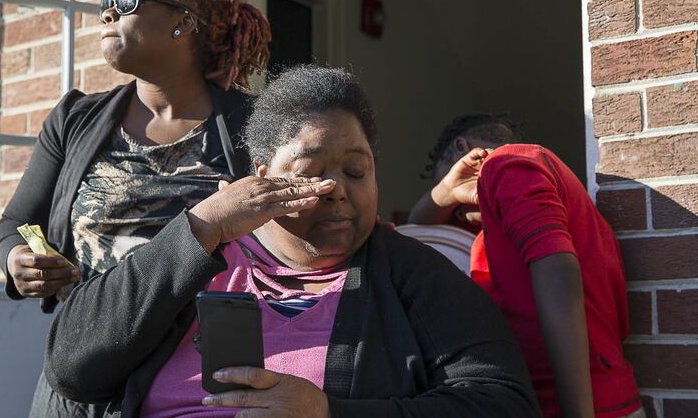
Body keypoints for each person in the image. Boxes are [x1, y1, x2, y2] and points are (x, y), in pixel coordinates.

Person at [44, 66, 542, 418]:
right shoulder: (201, 253)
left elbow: (504, 402)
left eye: (356, 170)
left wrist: (330, 412)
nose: (337, 189)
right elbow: (72, 368)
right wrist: (200, 227)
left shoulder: (413, 275)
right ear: (261, 177)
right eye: (311, 172)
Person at [0, 0, 270, 416]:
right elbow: (13, 225)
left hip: (197, 383)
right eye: (106, 0)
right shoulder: (75, 118)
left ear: (183, 22)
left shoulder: (253, 125)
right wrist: (16, 260)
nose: (107, 12)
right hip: (81, 372)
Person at [409, 113, 643, 418]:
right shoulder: (511, 216)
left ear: (462, 149)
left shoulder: (507, 164)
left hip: (580, 407)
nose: (457, 211)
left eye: (454, 206)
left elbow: (558, 274)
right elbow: (418, 227)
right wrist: (446, 192)